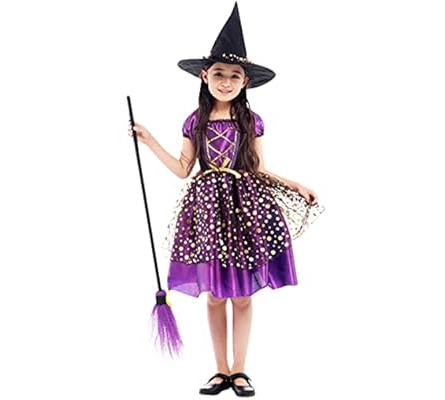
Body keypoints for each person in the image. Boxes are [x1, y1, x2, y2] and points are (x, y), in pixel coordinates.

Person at [128, 2, 324, 396]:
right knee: (216, 296)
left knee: (243, 296)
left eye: (235, 76)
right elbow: (183, 168)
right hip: (206, 211)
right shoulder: (195, 121)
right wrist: (149, 142)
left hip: (243, 210)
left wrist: (294, 184)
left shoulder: (250, 121)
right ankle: (220, 370)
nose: (226, 81)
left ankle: (240, 370)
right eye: (219, 73)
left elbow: (259, 169)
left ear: (245, 82)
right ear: (205, 76)